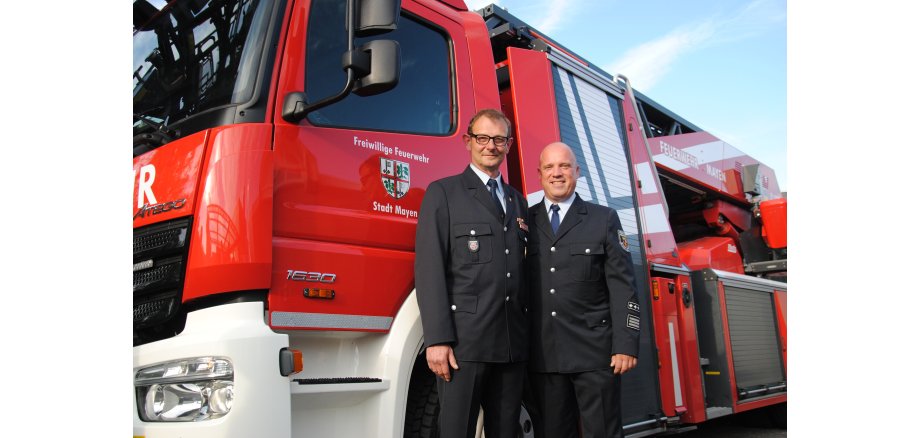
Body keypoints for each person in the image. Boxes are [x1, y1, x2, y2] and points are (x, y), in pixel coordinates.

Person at [415, 109, 530, 438]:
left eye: (498, 139)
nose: (490, 146)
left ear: (508, 145)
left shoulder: (519, 203)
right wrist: (437, 340)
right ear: (468, 141)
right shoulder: (444, 193)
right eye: (482, 138)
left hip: (511, 346)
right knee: (456, 431)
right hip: (465, 346)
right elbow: (430, 268)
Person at [526, 142, 640, 438]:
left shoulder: (603, 219)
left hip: (595, 353)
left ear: (577, 172)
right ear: (539, 174)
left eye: (564, 166)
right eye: (549, 167)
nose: (557, 173)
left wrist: (625, 344)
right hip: (544, 353)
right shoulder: (525, 221)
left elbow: (623, 285)